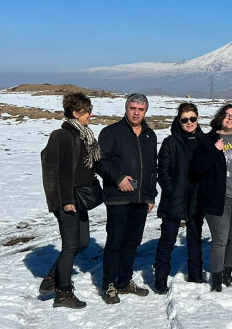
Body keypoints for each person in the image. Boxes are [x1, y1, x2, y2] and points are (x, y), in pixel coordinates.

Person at [40, 92, 102, 308]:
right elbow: (58, 172)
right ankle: (63, 293)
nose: (91, 115)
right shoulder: (62, 136)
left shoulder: (84, 135)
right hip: (68, 199)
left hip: (79, 198)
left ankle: (51, 278)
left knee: (82, 242)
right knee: (70, 245)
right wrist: (65, 201)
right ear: (76, 113)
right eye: (87, 111)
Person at [97, 93, 157, 304]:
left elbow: (151, 169)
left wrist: (151, 196)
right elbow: (100, 162)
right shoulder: (111, 132)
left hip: (141, 199)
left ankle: (124, 281)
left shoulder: (150, 135)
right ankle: (109, 284)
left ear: (145, 111)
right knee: (115, 242)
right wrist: (118, 177)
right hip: (118, 198)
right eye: (133, 108)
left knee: (132, 243)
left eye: (140, 109)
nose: (136, 112)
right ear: (126, 108)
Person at [192, 104, 232, 292]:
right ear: (220, 118)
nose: (230, 118)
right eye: (227, 115)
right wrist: (214, 150)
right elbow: (197, 168)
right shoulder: (208, 140)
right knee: (220, 239)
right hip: (219, 198)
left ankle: (227, 270)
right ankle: (216, 277)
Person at [153, 103, 205, 293]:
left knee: (194, 237)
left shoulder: (203, 140)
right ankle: (160, 279)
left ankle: (196, 275)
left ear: (197, 118)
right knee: (168, 239)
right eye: (185, 120)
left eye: (193, 119)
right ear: (178, 120)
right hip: (174, 198)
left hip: (196, 198)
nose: (189, 123)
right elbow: (163, 170)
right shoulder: (170, 142)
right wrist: (172, 190)